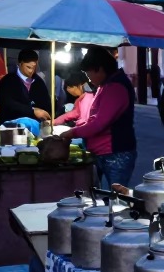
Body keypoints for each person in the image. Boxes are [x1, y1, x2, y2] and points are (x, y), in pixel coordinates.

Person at [58, 47, 137, 189]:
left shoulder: (115, 87)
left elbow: (98, 124)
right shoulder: (106, 85)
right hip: (104, 153)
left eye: (89, 75)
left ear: (99, 69)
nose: (89, 80)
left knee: (113, 201)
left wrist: (72, 133)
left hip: (115, 154)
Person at [0, 48, 51, 123]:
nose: (31, 71)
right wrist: (32, 111)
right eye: (28, 67)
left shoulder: (39, 82)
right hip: (10, 124)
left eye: (34, 67)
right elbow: (6, 103)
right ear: (20, 63)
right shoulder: (7, 81)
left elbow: (46, 102)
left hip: (35, 125)